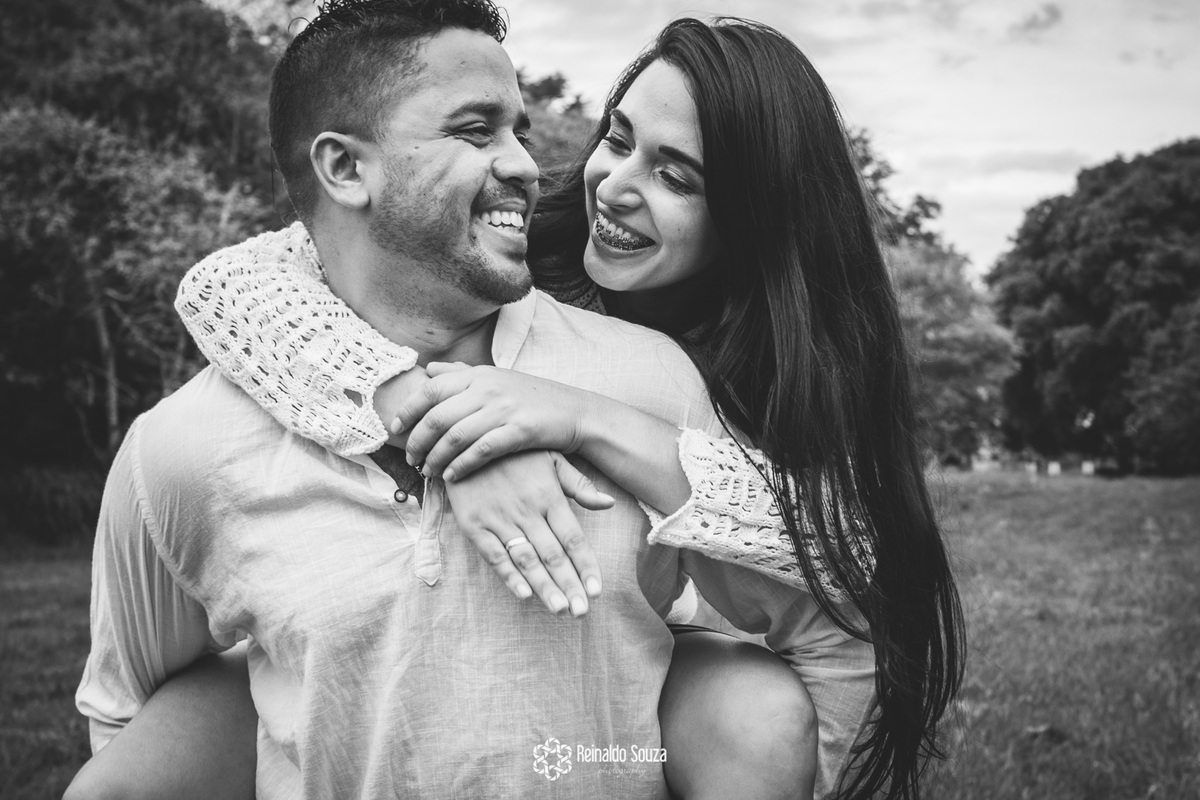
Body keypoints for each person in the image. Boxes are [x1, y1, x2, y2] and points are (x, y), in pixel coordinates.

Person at [70, 2, 902, 799]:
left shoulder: (706, 374)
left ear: (750, 223)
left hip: (670, 681)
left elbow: (844, 600)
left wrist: (585, 417)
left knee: (750, 709)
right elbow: (236, 280)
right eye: (617, 139)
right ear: (345, 167)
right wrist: (433, 420)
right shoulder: (531, 241)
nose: (570, 176)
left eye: (677, 176)